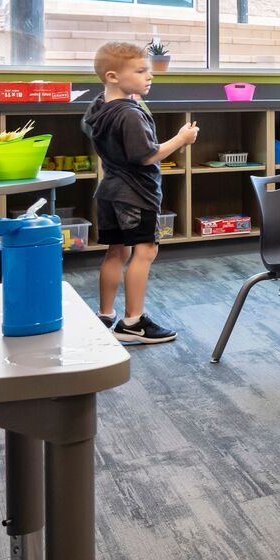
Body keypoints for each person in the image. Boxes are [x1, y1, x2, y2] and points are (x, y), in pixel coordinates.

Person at [83, 41, 198, 344]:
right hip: (135, 193)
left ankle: (105, 314)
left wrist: (130, 92)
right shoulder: (129, 114)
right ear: (112, 76)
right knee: (145, 251)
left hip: (109, 191)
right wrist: (181, 138)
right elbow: (146, 155)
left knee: (116, 252)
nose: (150, 76)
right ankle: (133, 322)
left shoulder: (99, 107)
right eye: (140, 70)